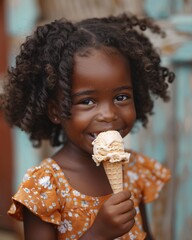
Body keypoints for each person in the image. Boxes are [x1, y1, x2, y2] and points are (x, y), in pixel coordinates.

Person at [2, 13, 175, 240]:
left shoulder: (134, 170)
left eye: (121, 97)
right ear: (55, 111)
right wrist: (97, 234)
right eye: (87, 101)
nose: (108, 114)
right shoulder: (45, 186)